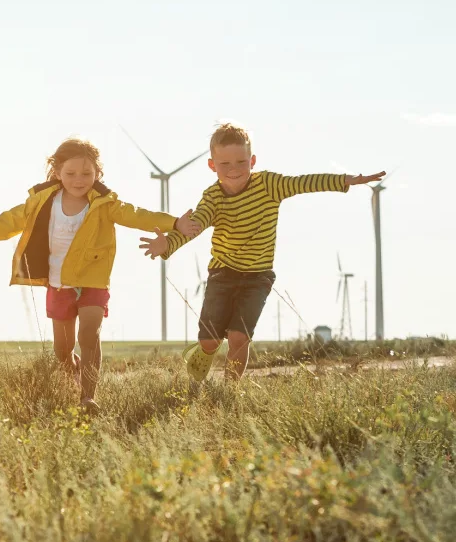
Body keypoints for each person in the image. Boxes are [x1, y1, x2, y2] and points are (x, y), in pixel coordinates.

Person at [0, 137, 201, 412]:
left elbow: (137, 215)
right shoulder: (41, 201)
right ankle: (75, 374)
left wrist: (174, 223)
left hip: (93, 281)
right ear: (57, 173)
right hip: (59, 284)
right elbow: (6, 222)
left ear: (97, 174)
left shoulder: (105, 204)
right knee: (62, 352)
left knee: (89, 335)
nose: (79, 180)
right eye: (71, 174)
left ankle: (88, 397)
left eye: (87, 174)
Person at [139, 122, 385, 382]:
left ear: (252, 160)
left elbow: (304, 183)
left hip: (258, 277)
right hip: (222, 273)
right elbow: (195, 224)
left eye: (241, 162)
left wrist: (344, 181)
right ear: (212, 165)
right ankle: (204, 351)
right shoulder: (212, 197)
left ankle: (231, 388)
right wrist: (168, 243)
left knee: (239, 337)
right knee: (210, 340)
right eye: (225, 164)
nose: (234, 170)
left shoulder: (269, 184)